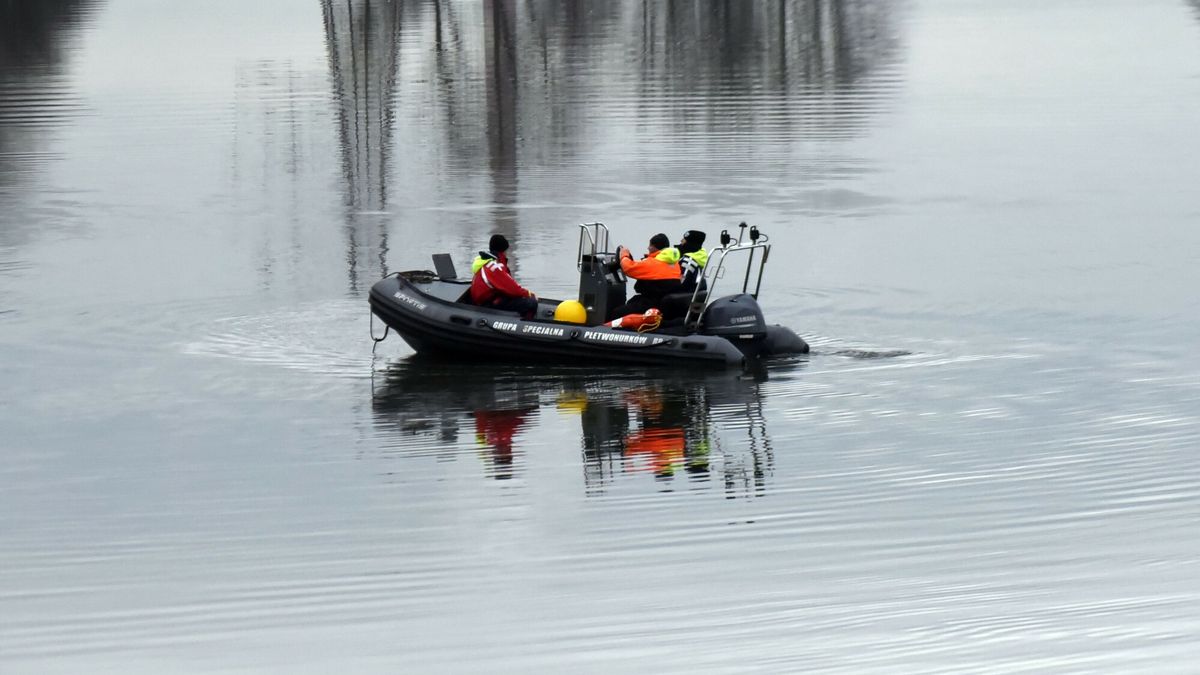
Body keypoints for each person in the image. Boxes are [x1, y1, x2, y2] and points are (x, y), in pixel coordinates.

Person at [609, 233, 681, 319]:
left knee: (617, 312)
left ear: (655, 247)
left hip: (652, 303)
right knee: (633, 301)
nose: (648, 248)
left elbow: (628, 268)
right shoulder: (674, 263)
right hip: (662, 301)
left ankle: (613, 330)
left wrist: (624, 255)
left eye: (650, 245)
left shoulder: (653, 263)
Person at [470, 234, 538, 318]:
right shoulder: (495, 267)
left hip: (485, 299)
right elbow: (513, 289)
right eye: (506, 251)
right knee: (530, 303)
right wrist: (528, 294)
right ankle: (526, 324)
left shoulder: (485, 262)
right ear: (503, 251)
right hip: (488, 304)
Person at [660, 229, 708, 320]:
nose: (681, 241)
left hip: (684, 302)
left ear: (690, 243)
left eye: (684, 239)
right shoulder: (700, 258)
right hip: (694, 299)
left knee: (661, 297)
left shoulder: (688, 261)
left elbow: (681, 282)